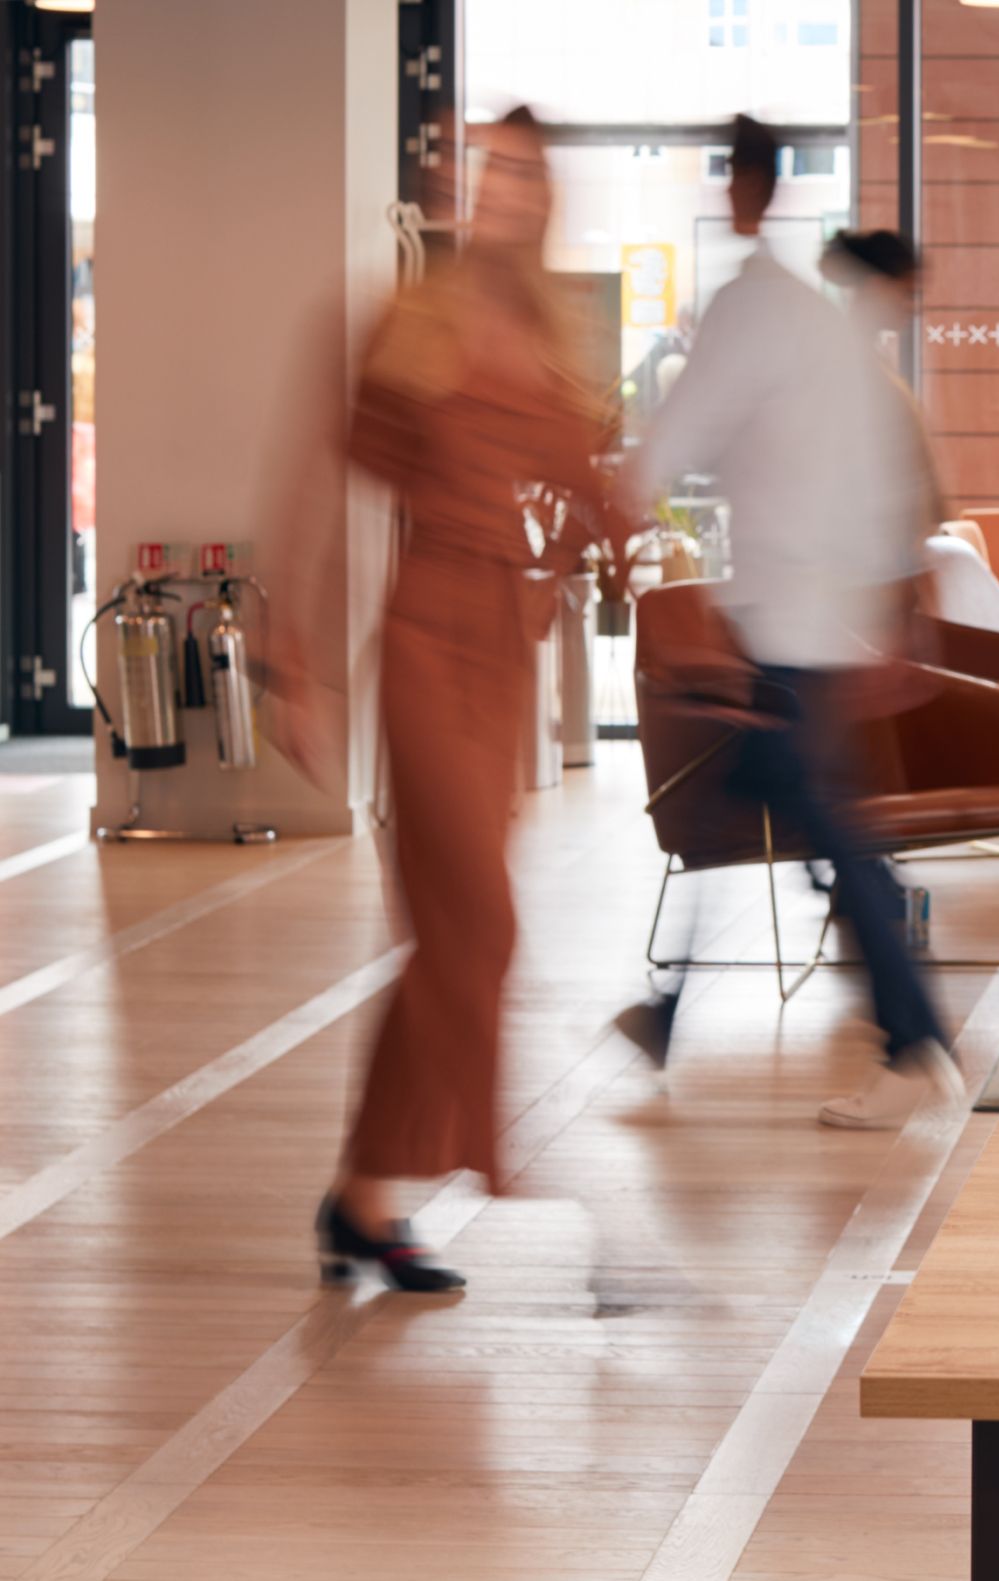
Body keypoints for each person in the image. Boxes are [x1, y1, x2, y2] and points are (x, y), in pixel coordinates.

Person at [269, 107, 627, 1293]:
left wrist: (613, 553)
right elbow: (321, 491)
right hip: (424, 638)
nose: (508, 191)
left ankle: (365, 1195)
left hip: (501, 656)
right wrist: (295, 661)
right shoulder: (404, 321)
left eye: (527, 174)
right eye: (492, 171)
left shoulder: (554, 337)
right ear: (461, 187)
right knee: (478, 919)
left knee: (457, 932)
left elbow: (590, 487)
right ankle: (410, 1173)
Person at [621, 117, 956, 1129]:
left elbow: (680, 434)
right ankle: (671, 1011)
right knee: (757, 804)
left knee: (827, 830)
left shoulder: (759, 310)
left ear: (743, 188)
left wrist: (618, 501)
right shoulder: (813, 331)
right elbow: (880, 489)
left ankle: (911, 1040)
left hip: (794, 623)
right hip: (794, 617)